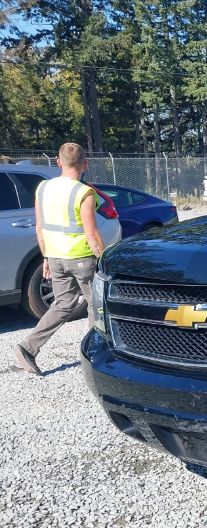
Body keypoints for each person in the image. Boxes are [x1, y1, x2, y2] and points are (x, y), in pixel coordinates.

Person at [14, 142, 105, 376]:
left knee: (63, 305)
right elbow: (92, 234)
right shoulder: (84, 192)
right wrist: (104, 259)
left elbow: (40, 227)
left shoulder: (43, 188)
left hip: (55, 256)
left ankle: (28, 348)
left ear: (58, 162)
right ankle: (96, 355)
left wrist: (46, 257)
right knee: (96, 304)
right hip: (82, 258)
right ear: (85, 164)